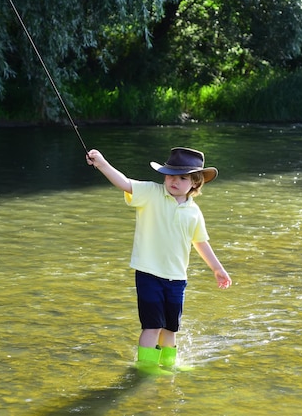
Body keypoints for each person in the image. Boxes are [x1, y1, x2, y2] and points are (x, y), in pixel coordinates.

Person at [86, 147, 231, 373]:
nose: (174, 181)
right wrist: (102, 163)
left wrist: (217, 269)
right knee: (152, 325)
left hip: (177, 279)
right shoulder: (151, 193)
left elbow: (200, 243)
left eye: (182, 177)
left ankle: (169, 366)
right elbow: (124, 182)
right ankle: (145, 367)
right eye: (170, 175)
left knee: (170, 328)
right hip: (149, 273)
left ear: (195, 183)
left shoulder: (194, 212)